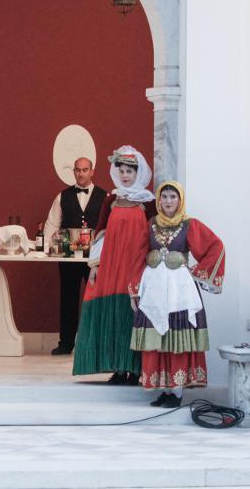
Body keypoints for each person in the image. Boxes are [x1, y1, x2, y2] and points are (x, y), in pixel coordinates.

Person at [131, 181, 225, 407]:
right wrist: (134, 289)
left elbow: (216, 246)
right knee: (158, 337)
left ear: (180, 200)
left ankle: (178, 391)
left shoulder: (189, 224)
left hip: (179, 291)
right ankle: (165, 390)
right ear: (158, 200)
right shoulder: (151, 224)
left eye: (173, 197)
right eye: (164, 197)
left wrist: (197, 272)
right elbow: (138, 255)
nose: (168, 201)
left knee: (177, 337)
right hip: (153, 289)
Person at [73, 146, 156, 385]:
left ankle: (135, 369)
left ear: (138, 173)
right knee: (113, 313)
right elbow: (100, 232)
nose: (125, 175)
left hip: (136, 264)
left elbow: (153, 236)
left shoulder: (148, 202)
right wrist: (95, 266)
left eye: (130, 171)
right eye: (122, 171)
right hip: (111, 264)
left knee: (132, 311)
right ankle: (118, 368)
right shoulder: (111, 199)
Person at [42, 157, 109, 355]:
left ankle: (96, 344)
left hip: (95, 259)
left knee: (96, 301)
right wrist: (49, 249)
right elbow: (52, 225)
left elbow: (109, 227)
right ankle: (66, 343)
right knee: (68, 300)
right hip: (68, 258)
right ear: (74, 172)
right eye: (78, 170)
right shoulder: (62, 196)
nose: (81, 173)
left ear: (92, 171)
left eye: (85, 170)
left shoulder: (106, 197)